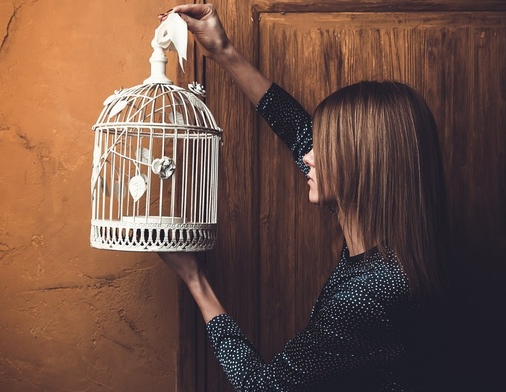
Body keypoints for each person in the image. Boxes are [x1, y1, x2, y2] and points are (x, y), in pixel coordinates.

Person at [158, 4, 449, 391]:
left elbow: (261, 388)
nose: (309, 154)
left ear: (363, 168)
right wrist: (224, 51)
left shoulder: (368, 297)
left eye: (325, 146)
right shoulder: (391, 245)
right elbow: (298, 131)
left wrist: (195, 280)